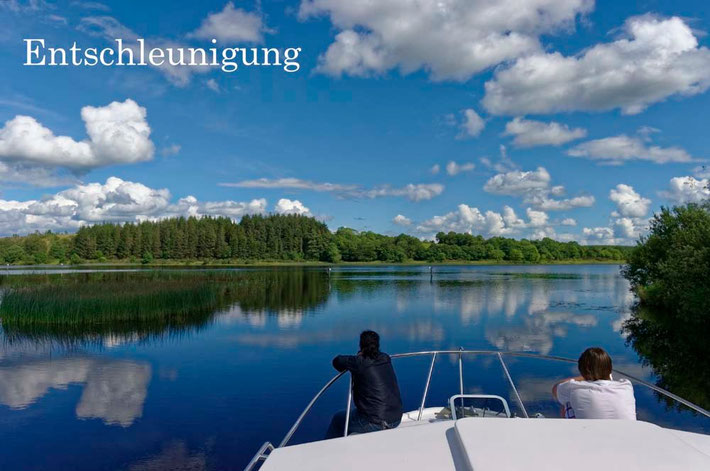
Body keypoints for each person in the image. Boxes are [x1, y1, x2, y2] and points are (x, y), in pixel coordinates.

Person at [325, 330, 403, 439]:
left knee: (338, 419)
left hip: (375, 423)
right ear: (377, 344)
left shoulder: (359, 362)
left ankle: (330, 448)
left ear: (361, 345)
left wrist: (359, 356)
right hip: (396, 418)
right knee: (356, 414)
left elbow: (337, 361)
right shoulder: (385, 358)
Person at [552, 347, 636, 420]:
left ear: (583, 372)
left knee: (566, 402)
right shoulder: (626, 386)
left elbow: (555, 389)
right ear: (610, 368)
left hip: (588, 436)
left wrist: (584, 378)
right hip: (627, 435)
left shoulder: (574, 388)